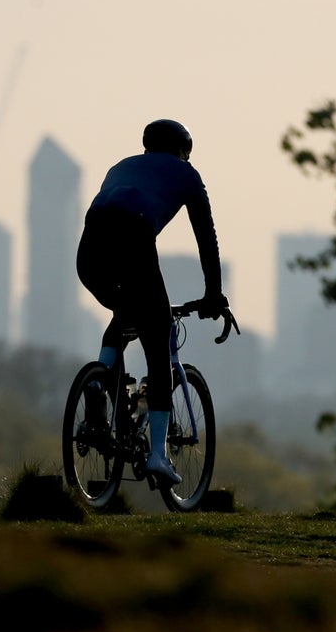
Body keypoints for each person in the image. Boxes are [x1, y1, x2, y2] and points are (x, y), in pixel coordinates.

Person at [76, 118, 228, 486]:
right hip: (134, 234)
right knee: (158, 337)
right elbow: (206, 238)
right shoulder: (187, 174)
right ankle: (158, 455)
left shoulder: (120, 166)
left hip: (90, 248)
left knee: (127, 311)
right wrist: (214, 294)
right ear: (183, 150)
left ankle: (98, 385)